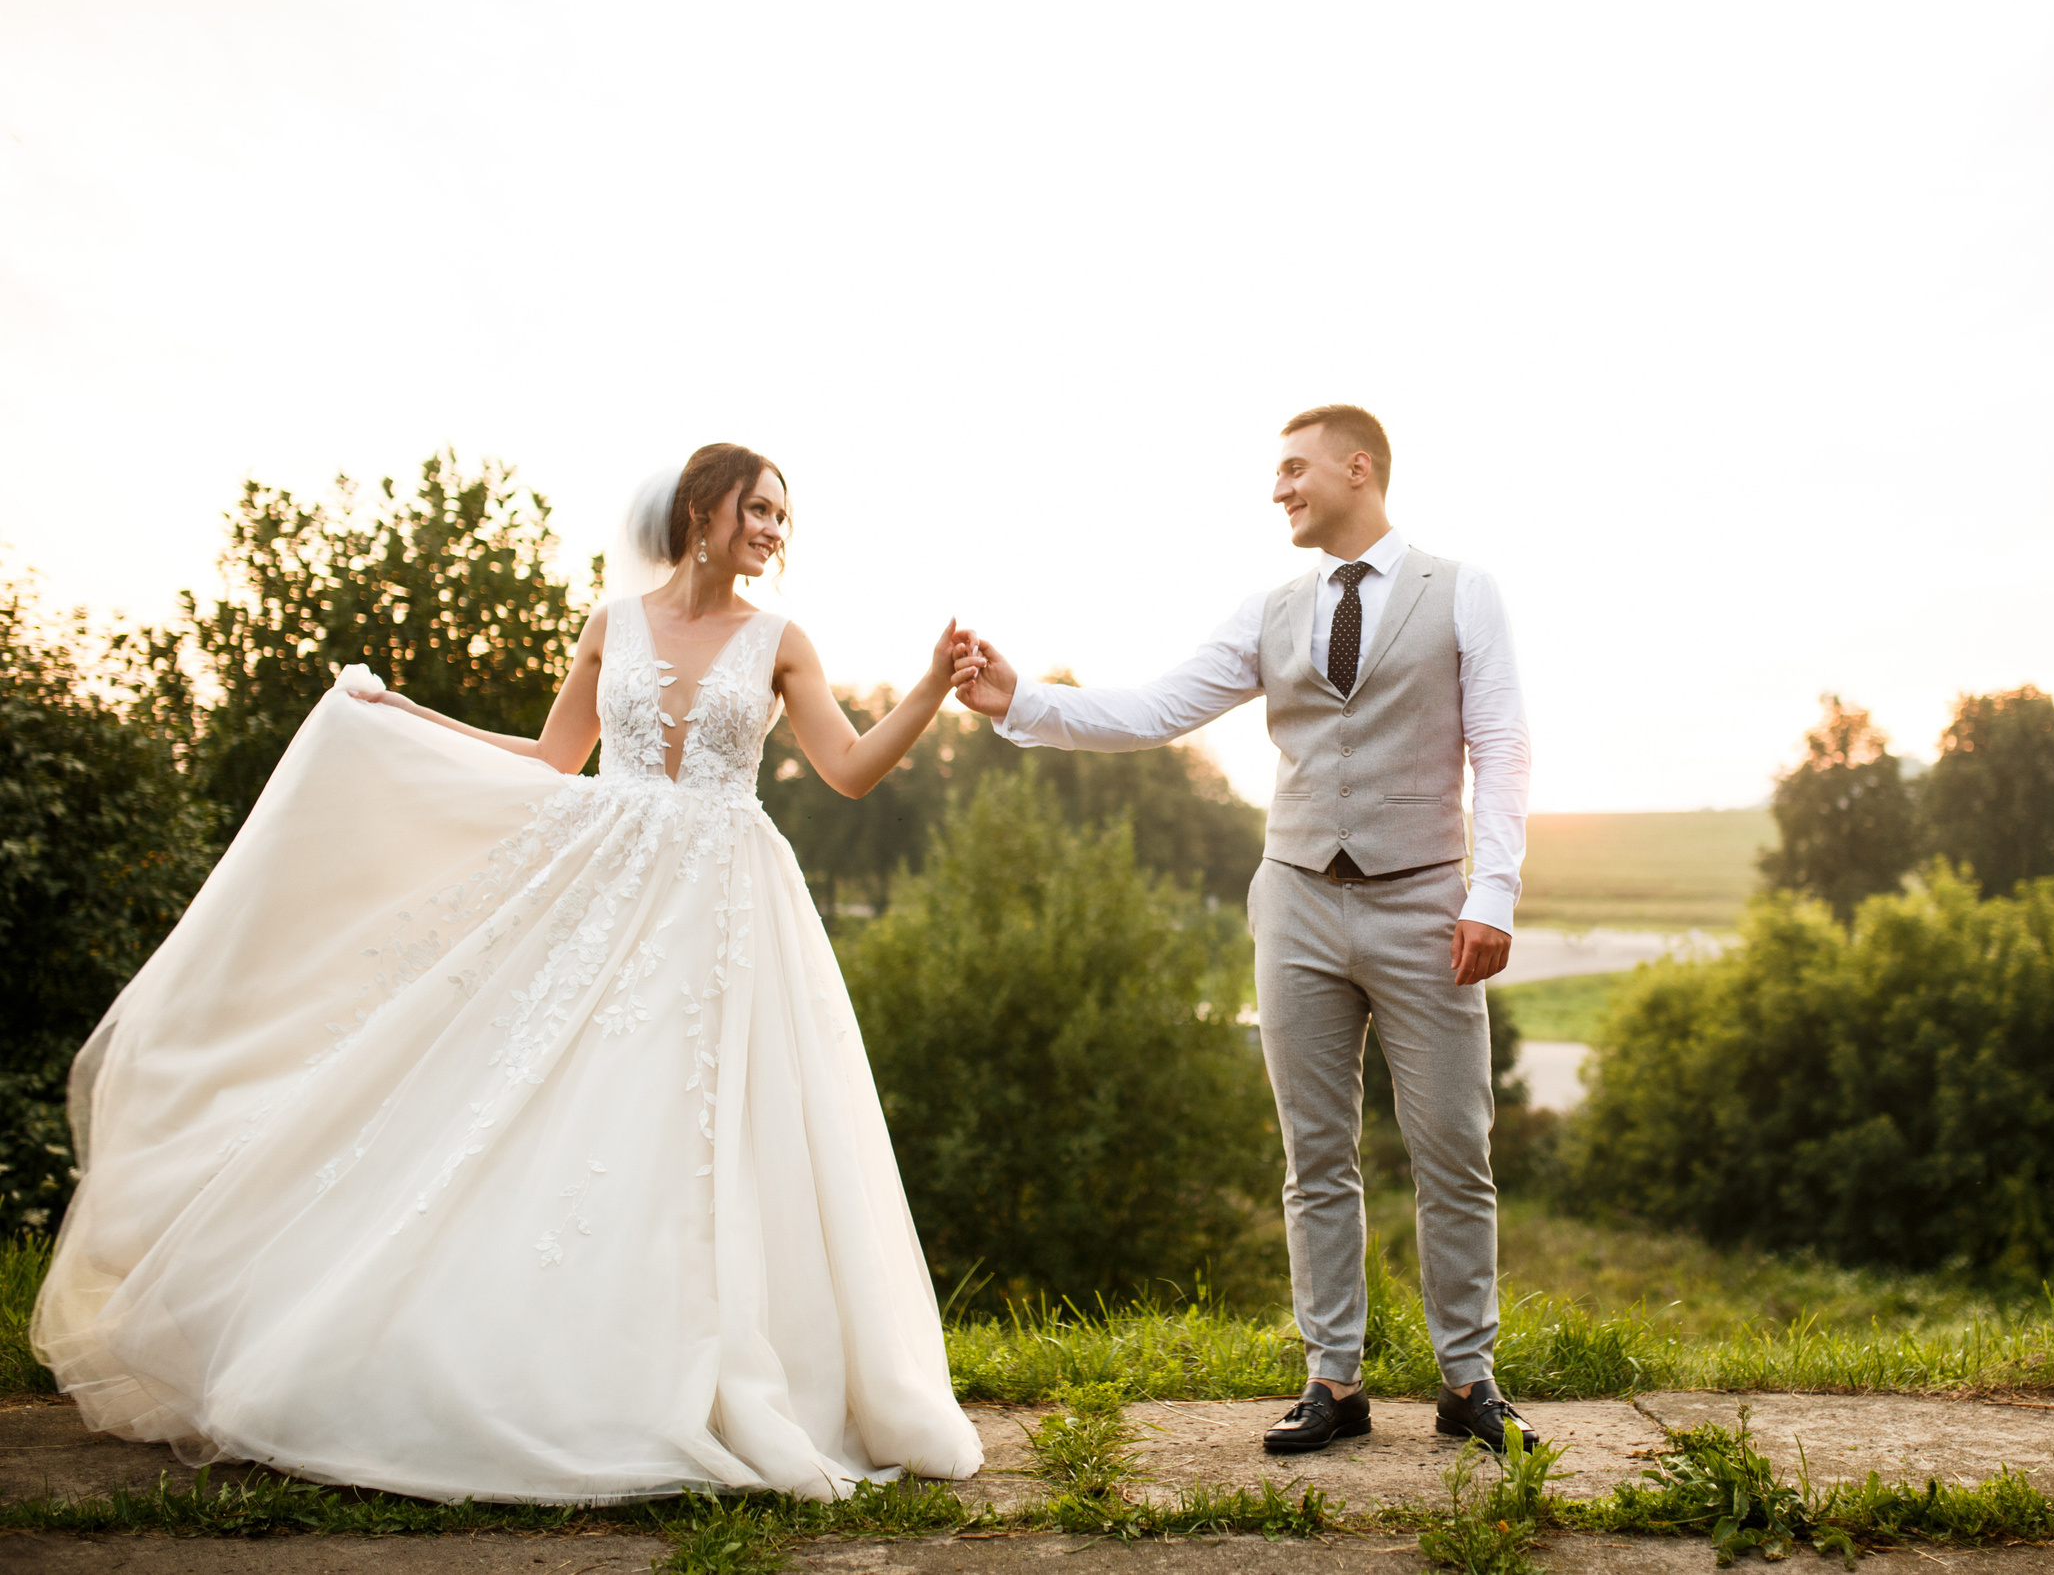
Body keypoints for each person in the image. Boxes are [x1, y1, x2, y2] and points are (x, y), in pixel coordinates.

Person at [33, 444, 985, 1501]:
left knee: (699, 1125)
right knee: (539, 1104)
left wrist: (933, 686)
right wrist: (409, 722)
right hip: (607, 894)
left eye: (780, 517)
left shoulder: (781, 642)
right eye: (758, 509)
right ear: (704, 509)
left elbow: (847, 771)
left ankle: (694, 1364)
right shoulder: (608, 625)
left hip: (726, 908)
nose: (772, 530)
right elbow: (547, 762)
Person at [950, 404, 1535, 1454]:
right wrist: (1015, 698)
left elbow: (1500, 742)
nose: (1279, 489)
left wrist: (1492, 892)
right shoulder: (1270, 610)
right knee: (1316, 1154)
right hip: (1298, 900)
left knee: (1453, 1148)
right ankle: (1335, 1382)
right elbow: (1155, 708)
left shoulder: (1463, 591)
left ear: (1360, 469)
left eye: (1295, 469)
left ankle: (1467, 1382)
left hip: (1425, 904)